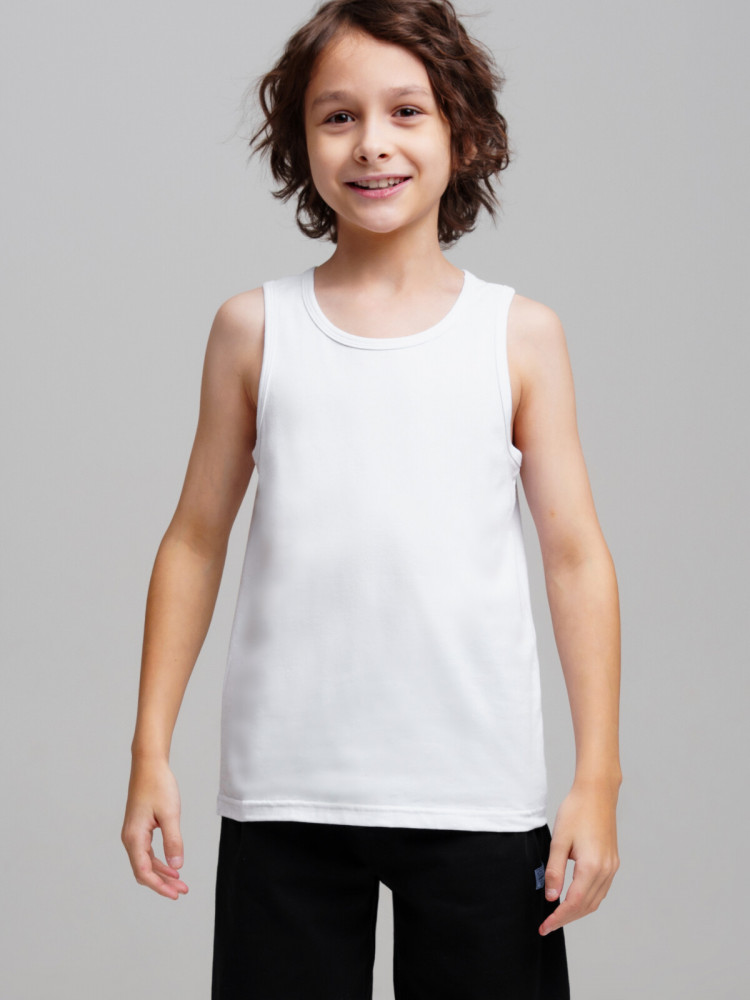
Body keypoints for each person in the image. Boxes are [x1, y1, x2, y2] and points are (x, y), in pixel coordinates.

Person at [121, 1, 621, 996]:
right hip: (287, 790)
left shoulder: (518, 335)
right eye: (338, 116)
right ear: (300, 141)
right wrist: (149, 750)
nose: (372, 143)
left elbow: (576, 558)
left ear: (462, 134)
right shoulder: (254, 329)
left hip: (476, 790)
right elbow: (194, 541)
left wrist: (597, 778)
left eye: (407, 111)